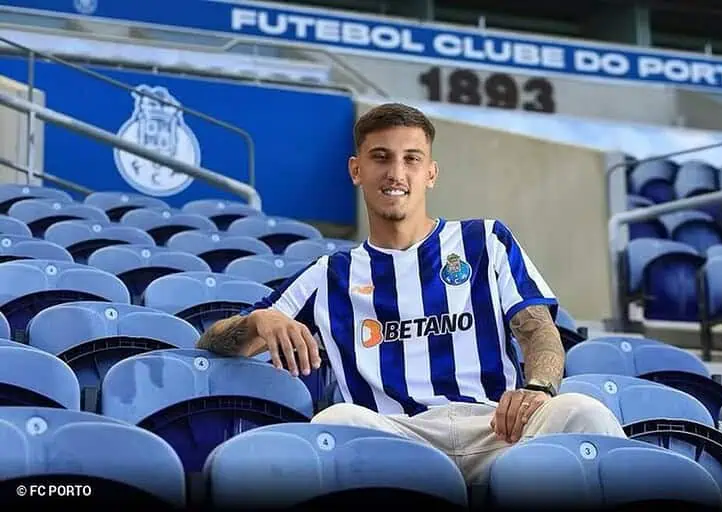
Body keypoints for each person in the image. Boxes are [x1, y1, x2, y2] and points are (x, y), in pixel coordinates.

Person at [196, 102, 626, 486]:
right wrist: (259, 320)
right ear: (356, 170)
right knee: (336, 419)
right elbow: (212, 341)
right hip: (396, 436)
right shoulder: (329, 274)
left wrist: (538, 388)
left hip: (498, 428)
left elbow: (538, 331)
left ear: (431, 173)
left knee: (583, 411)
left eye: (411, 159)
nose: (396, 173)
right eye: (381, 157)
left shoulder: (485, 240)